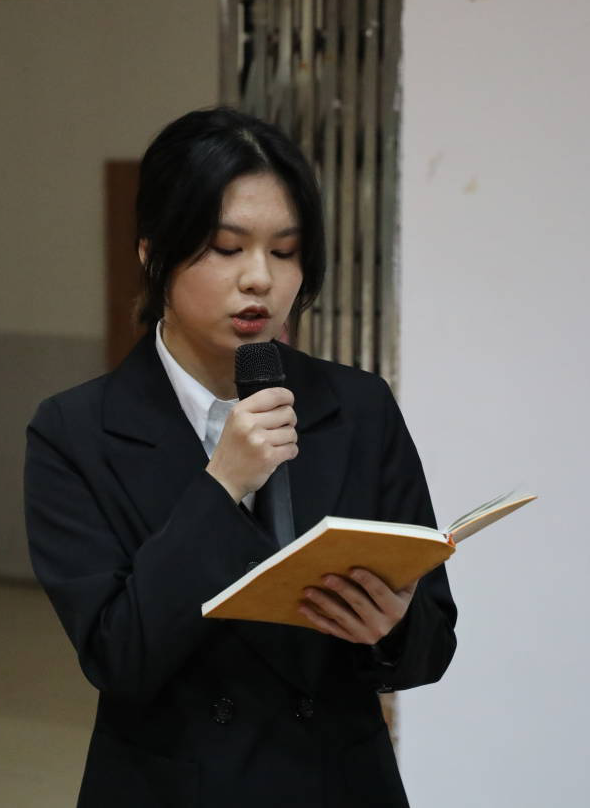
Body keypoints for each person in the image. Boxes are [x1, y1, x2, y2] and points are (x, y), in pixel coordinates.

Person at [24, 107, 457, 808]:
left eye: (284, 252)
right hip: (175, 787)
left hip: (337, 782)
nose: (259, 278)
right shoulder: (74, 431)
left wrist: (392, 627)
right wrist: (221, 484)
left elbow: (433, 643)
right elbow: (118, 655)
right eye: (226, 247)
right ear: (151, 252)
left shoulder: (359, 406)